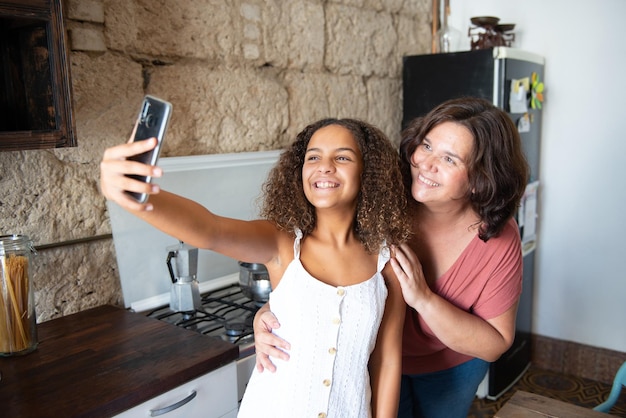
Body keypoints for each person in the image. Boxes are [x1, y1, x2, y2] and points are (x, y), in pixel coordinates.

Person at [99, 117, 411, 418]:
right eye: (313, 157)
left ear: (367, 173)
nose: (324, 166)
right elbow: (210, 230)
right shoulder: (282, 243)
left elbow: (386, 360)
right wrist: (135, 195)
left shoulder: (387, 262)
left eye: (342, 158)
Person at [253, 98, 529, 418]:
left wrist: (423, 298)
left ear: (482, 177)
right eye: (426, 146)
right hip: (367, 357)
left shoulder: (497, 237)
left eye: (449, 159)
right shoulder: (381, 193)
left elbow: (495, 343)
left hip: (450, 367)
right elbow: (319, 261)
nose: (426, 164)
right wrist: (272, 309)